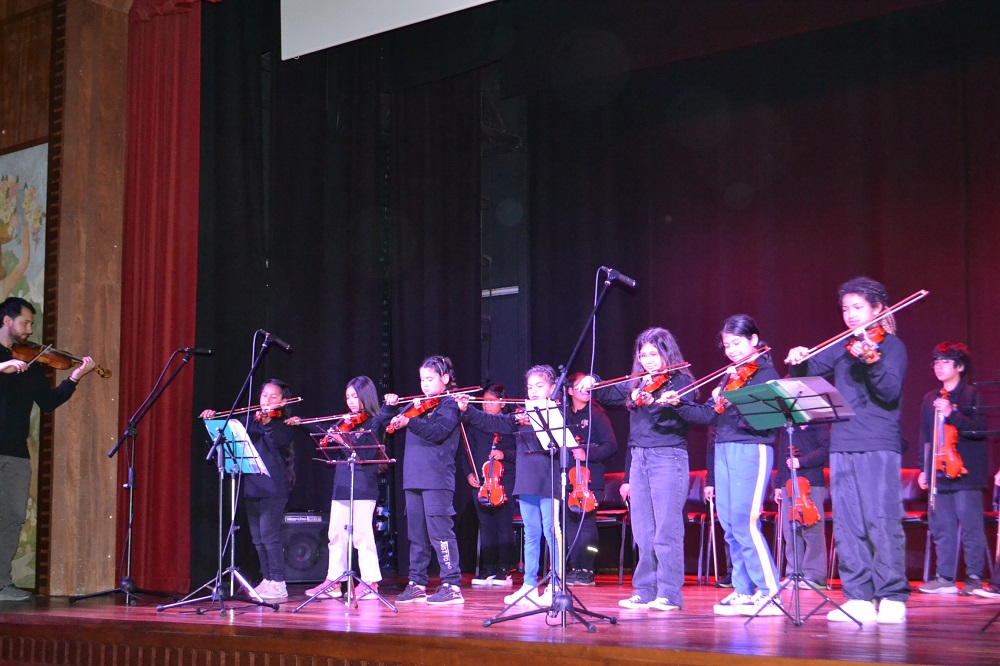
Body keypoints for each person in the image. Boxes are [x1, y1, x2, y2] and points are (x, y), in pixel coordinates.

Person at [785, 276, 909, 624]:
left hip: (878, 444)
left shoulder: (892, 347)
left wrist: (873, 360)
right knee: (848, 522)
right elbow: (807, 375)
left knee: (881, 520)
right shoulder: (842, 346)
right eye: (845, 309)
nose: (851, 315)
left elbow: (889, 393)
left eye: (858, 308)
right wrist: (797, 360)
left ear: (878, 309)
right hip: (842, 444)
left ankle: (892, 595)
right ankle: (858, 596)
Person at [668, 314, 782, 617]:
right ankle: (743, 590)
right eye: (727, 344)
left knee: (746, 522)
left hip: (751, 450)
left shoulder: (767, 374)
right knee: (729, 525)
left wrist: (736, 400)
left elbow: (768, 424)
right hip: (723, 450)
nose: (730, 349)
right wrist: (680, 404)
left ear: (754, 340)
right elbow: (707, 417)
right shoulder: (730, 376)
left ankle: (770, 592)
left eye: (737, 342)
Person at [576, 327, 694, 612]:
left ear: (667, 353)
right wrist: (594, 381)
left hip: (668, 457)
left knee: (666, 529)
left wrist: (661, 400)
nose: (649, 360)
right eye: (643, 355)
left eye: (654, 354)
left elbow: (686, 414)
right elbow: (609, 394)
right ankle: (645, 589)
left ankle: (669, 593)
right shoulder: (637, 383)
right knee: (643, 530)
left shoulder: (680, 381)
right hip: (639, 458)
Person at [0, 296, 96, 601]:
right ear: (7, 321)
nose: (30, 329)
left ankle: (1, 584)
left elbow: (49, 402)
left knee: (13, 517)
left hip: (15, 452)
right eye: (26, 322)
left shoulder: (31, 361)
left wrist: (75, 377)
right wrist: (2, 365)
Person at [458, 365, 563, 607]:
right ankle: (529, 585)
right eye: (530, 387)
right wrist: (468, 411)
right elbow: (489, 421)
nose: (534, 391)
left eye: (540, 386)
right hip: (526, 479)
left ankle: (555, 584)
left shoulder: (556, 413)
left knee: (551, 531)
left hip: (548, 478)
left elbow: (560, 443)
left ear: (551, 388)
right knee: (531, 533)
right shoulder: (519, 415)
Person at [201, 379, 297, 600]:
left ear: (283, 401)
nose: (267, 401)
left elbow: (280, 441)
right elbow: (229, 433)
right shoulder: (249, 421)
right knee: (257, 539)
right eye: (265, 396)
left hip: (274, 488)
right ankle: (267, 578)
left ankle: (279, 582)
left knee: (270, 537)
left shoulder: (284, 423)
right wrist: (213, 419)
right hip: (252, 486)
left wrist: (267, 423)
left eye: (274, 397)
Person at [382, 355, 464, 605]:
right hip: (413, 478)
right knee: (416, 535)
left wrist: (411, 421)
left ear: (445, 379)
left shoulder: (449, 405)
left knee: (441, 534)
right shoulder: (418, 406)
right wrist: (389, 408)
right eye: (422, 380)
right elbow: (387, 425)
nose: (425, 384)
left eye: (430, 379)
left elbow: (437, 432)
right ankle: (417, 582)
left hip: (437, 479)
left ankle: (451, 583)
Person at [303, 376, 387, 601]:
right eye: (348, 396)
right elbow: (331, 452)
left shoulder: (374, 422)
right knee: (335, 535)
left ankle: (370, 582)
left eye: (355, 396)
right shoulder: (346, 421)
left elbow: (366, 455)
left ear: (366, 396)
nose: (350, 401)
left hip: (362, 486)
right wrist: (329, 437)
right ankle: (334, 581)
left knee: (361, 536)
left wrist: (343, 441)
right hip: (341, 483)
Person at [916, 342, 988, 596]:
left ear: (959, 366)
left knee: (970, 527)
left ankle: (974, 577)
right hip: (939, 472)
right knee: (941, 527)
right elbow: (925, 435)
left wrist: (952, 413)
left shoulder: (972, 395)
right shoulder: (929, 398)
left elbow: (979, 431)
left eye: (945, 362)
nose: (938, 366)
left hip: (966, 472)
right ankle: (944, 577)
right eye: (936, 361)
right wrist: (923, 468)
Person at [563, 372, 618, 587]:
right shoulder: (564, 415)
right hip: (568, 476)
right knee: (568, 523)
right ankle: (574, 567)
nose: (585, 389)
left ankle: (587, 569)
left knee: (586, 523)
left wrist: (588, 454)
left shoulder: (596, 413)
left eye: (587, 386)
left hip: (590, 478)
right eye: (579, 386)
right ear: (569, 391)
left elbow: (611, 445)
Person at [460, 383, 517, 587]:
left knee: (503, 525)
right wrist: (468, 474)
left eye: (491, 402)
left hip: (504, 481)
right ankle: (488, 568)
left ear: (502, 403)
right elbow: (465, 453)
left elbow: (521, 453)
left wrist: (504, 455)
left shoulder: (510, 424)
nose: (486, 405)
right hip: (481, 482)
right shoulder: (474, 425)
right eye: (483, 401)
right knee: (486, 525)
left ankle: (505, 569)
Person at [773, 423, 830, 590]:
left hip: (811, 482)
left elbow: (825, 450)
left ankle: (815, 575)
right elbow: (782, 456)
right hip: (788, 483)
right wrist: (778, 484)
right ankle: (793, 574)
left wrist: (801, 461)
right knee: (790, 531)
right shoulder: (787, 427)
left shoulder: (818, 425)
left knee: (812, 530)